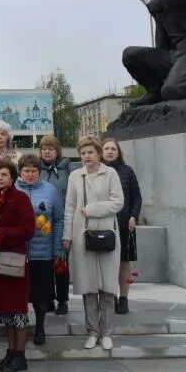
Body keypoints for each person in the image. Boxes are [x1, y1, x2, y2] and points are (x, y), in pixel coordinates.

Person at [63, 136, 125, 351]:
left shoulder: (111, 173)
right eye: (83, 153)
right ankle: (92, 331)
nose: (87, 156)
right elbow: (70, 206)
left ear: (99, 153)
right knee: (89, 286)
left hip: (107, 233)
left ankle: (107, 332)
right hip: (82, 234)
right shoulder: (74, 176)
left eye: (90, 152)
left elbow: (118, 202)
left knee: (108, 286)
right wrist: (67, 235)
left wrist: (92, 210)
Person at [0, 160, 35, 372]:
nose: (0, 178)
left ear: (12, 177)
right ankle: (10, 354)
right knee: (6, 313)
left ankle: (20, 356)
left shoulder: (20, 198)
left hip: (13, 263)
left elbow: (28, 229)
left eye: (4, 174)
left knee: (17, 312)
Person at [14, 154, 64, 345]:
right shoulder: (12, 189)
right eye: (26, 171)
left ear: (40, 171)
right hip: (18, 251)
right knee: (18, 294)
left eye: (34, 171)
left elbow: (58, 219)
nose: (30, 174)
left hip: (42, 251)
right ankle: (19, 328)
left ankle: (40, 328)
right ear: (20, 172)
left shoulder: (50, 190)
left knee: (41, 294)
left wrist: (57, 247)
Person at [101, 138, 143, 315]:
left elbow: (137, 198)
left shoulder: (127, 171)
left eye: (113, 149)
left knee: (123, 263)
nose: (110, 151)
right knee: (106, 263)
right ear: (101, 152)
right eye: (106, 149)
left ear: (118, 152)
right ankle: (112, 297)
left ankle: (124, 299)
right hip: (103, 224)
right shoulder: (98, 171)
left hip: (124, 224)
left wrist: (133, 216)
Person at [37, 136, 79, 313]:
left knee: (61, 262)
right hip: (40, 223)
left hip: (62, 220)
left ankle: (62, 300)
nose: (47, 152)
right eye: (44, 149)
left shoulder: (67, 168)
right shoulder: (36, 168)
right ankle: (48, 299)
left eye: (50, 149)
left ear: (57, 151)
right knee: (45, 264)